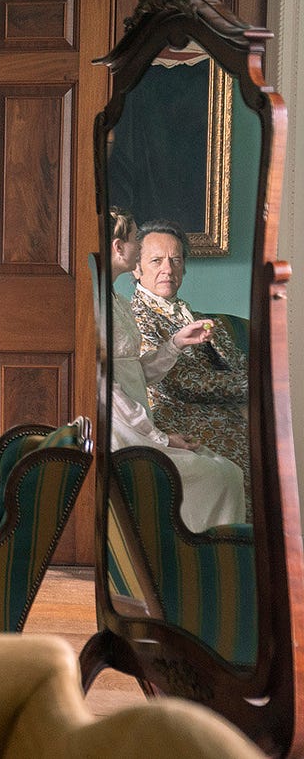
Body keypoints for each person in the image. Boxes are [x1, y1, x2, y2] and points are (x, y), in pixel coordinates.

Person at [106, 208, 245, 531]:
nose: (168, 269)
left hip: (138, 418)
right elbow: (111, 385)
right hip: (129, 425)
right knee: (227, 467)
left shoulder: (120, 304)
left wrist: (176, 343)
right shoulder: (124, 309)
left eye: (176, 260)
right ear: (126, 255)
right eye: (142, 248)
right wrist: (157, 436)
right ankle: (210, 549)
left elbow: (136, 371)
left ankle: (225, 551)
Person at [129, 219, 250, 478]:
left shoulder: (194, 316)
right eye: (156, 261)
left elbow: (241, 363)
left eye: (176, 260)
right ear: (136, 269)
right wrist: (251, 386)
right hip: (175, 415)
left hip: (217, 411)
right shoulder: (136, 317)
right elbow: (175, 382)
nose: (168, 269)